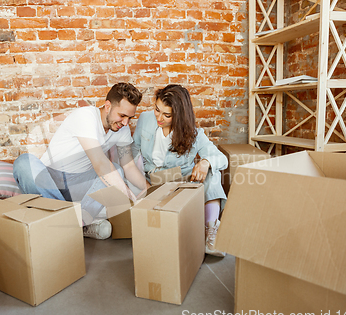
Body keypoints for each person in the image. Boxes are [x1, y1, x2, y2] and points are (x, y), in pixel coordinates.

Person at [13, 83, 149, 240]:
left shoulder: (122, 129)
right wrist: (132, 199)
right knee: (24, 162)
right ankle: (71, 223)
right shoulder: (86, 116)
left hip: (77, 187)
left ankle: (73, 224)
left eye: (130, 118)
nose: (125, 123)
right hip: (50, 181)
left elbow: (129, 167)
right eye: (122, 115)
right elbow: (100, 164)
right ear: (107, 106)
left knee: (118, 170)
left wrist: (151, 191)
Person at [132, 84, 227, 257]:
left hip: (182, 182)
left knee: (214, 172)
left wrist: (205, 162)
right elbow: (133, 151)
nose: (159, 117)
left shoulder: (193, 134)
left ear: (179, 116)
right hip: (153, 179)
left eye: (167, 115)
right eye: (157, 110)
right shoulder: (145, 119)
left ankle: (211, 230)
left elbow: (221, 158)